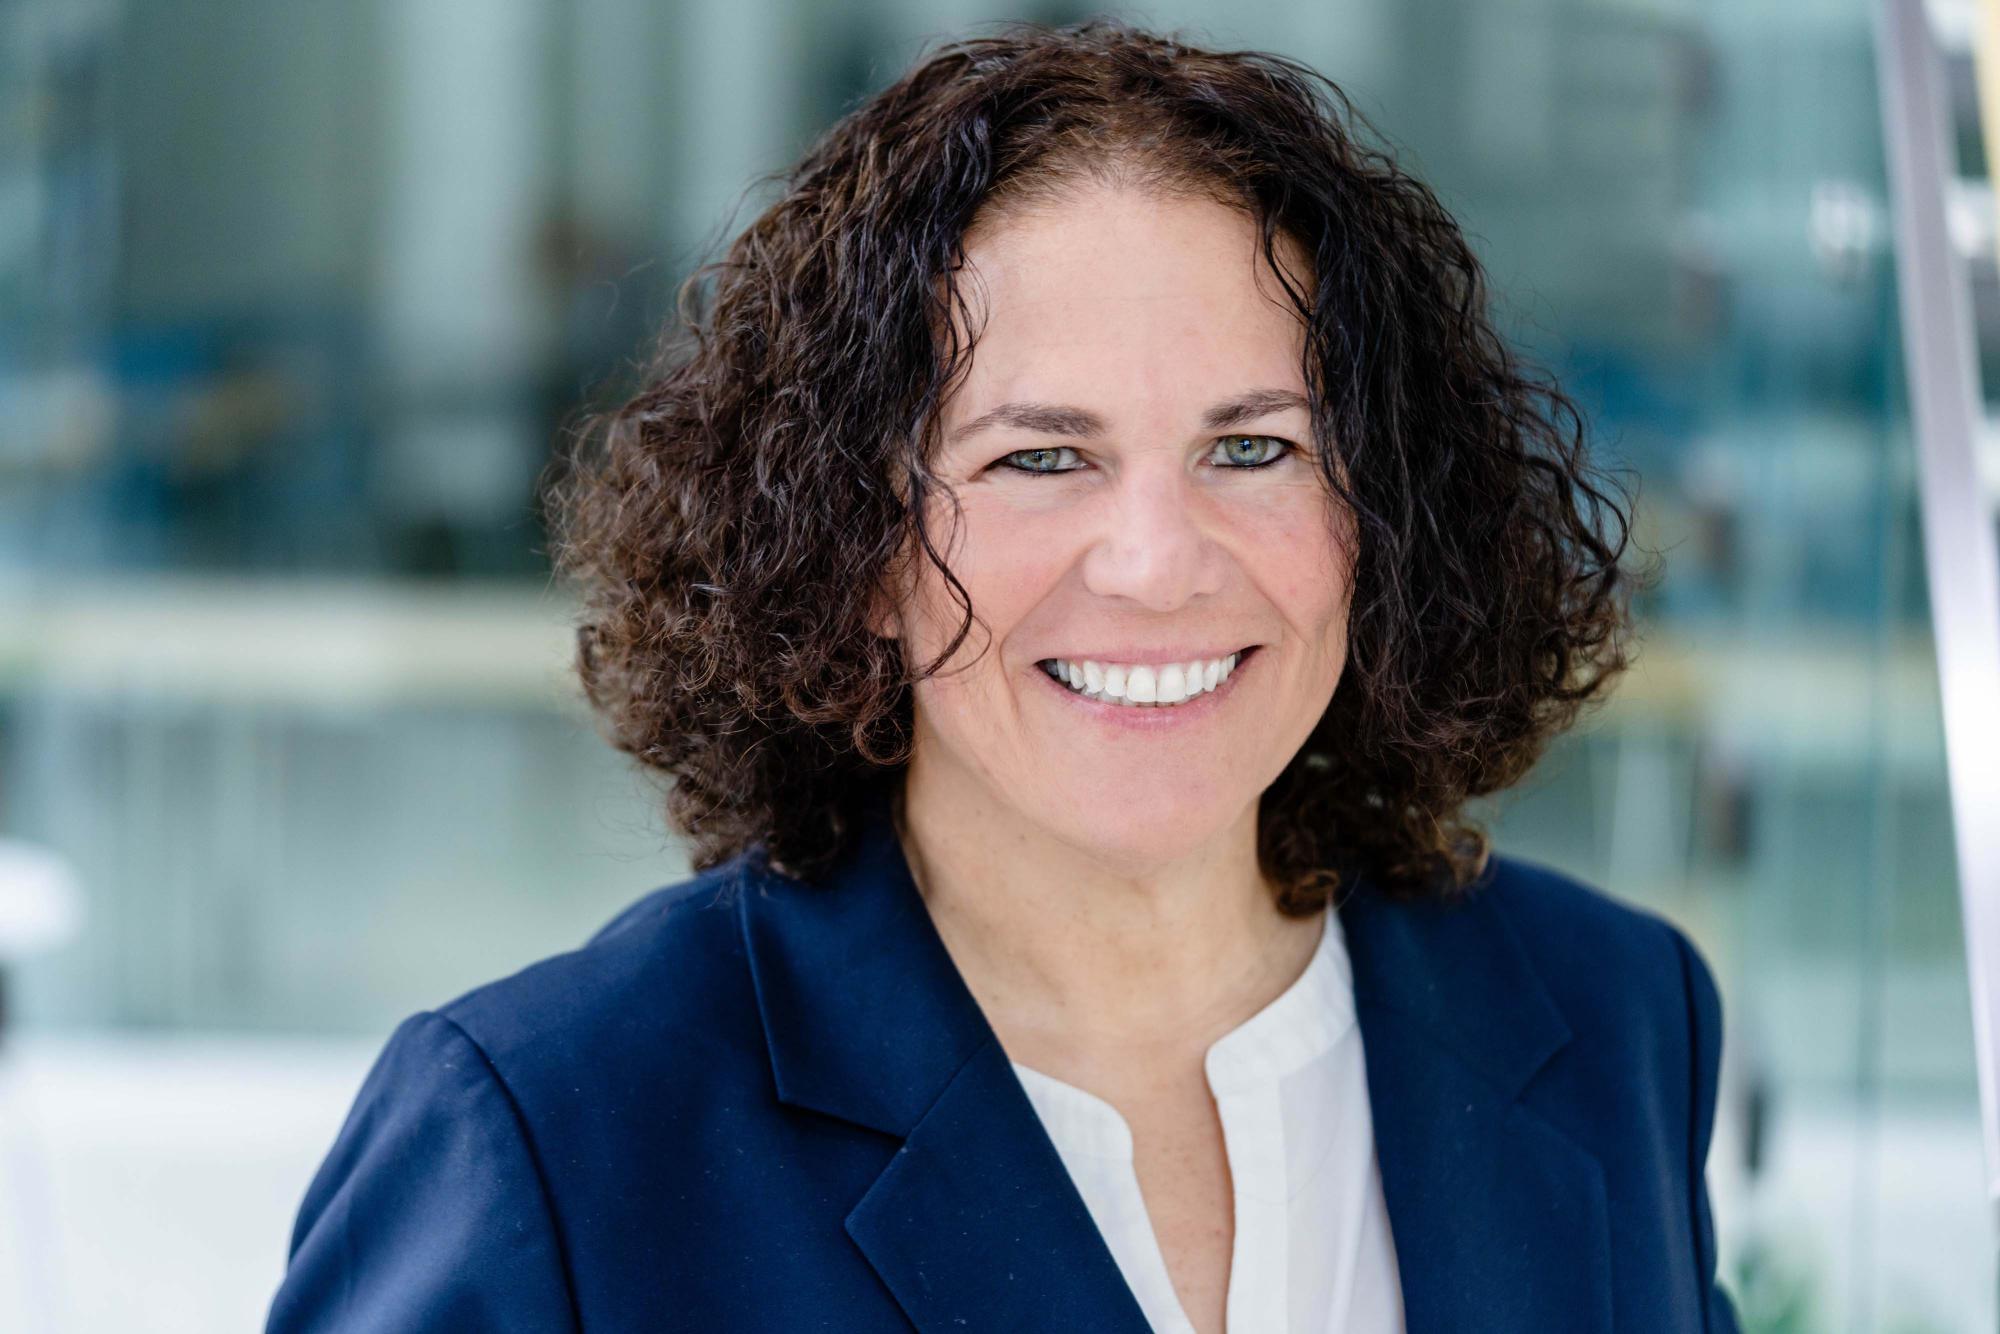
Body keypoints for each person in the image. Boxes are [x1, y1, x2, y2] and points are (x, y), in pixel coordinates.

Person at [266, 19, 1738, 1333]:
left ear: (1382, 514)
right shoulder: (556, 1137)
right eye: (1041, 456)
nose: (1158, 560)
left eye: (1254, 447)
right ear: (850, 538)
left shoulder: (1612, 1017)